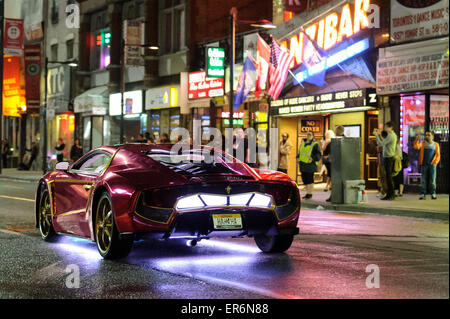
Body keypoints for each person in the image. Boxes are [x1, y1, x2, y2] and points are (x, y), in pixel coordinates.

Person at [414, 131, 441, 200]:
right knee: (423, 180)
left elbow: (438, 155)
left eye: (429, 135)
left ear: (432, 137)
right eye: (426, 135)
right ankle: (423, 194)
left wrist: (435, 162)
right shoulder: (423, 143)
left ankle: (433, 193)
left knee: (432, 180)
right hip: (424, 164)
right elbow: (416, 147)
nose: (427, 136)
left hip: (432, 164)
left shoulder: (436, 144)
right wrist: (417, 139)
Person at [375, 122, 397, 200]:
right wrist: (379, 135)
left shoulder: (391, 136)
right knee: (388, 177)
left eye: (386, 127)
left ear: (390, 127)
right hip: (388, 157)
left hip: (389, 158)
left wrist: (376, 135)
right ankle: (390, 194)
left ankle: (391, 194)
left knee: (389, 177)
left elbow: (380, 143)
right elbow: (383, 141)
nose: (385, 129)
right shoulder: (391, 136)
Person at [297, 131, 322, 199]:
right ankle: (308, 192)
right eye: (307, 134)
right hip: (303, 164)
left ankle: (309, 193)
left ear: (313, 136)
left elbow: (318, 154)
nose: (308, 136)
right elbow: (300, 152)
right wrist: (297, 157)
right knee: (304, 179)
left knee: (309, 179)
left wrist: (313, 159)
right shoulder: (303, 143)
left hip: (310, 165)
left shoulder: (315, 144)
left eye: (310, 134)